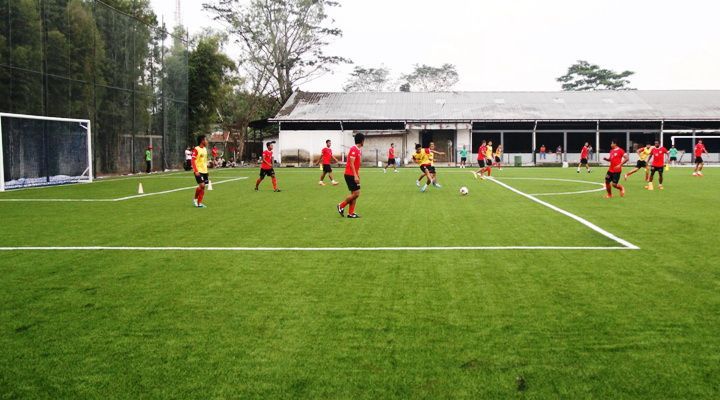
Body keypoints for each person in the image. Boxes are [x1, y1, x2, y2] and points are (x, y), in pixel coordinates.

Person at [337, 133, 364, 219]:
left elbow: (356, 165)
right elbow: (351, 163)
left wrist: (357, 175)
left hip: (353, 174)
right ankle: (341, 205)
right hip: (350, 174)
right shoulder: (354, 149)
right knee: (356, 193)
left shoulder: (358, 150)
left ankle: (351, 213)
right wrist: (355, 175)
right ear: (362, 141)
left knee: (354, 193)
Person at [191, 135, 209, 208]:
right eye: (205, 140)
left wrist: (207, 170)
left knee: (202, 187)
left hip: (205, 171)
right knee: (202, 185)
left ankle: (196, 200)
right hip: (198, 171)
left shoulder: (205, 149)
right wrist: (195, 170)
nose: (207, 141)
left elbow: (204, 161)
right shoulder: (196, 149)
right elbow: (193, 160)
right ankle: (199, 203)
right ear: (202, 140)